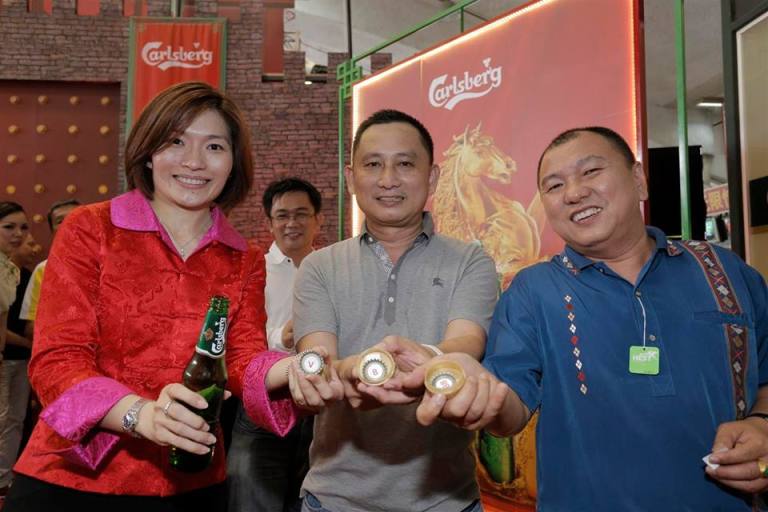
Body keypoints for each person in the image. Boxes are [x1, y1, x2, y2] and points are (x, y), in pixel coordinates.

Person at [3, 81, 339, 511]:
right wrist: (140, 415)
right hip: (75, 476)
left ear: (234, 163)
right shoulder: (92, 230)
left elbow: (240, 359)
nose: (195, 162)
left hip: (191, 479)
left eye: (215, 147)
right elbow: (57, 360)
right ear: (148, 152)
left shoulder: (243, 258)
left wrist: (294, 370)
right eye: (176, 142)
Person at [413, 126, 768, 511]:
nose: (574, 192)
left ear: (638, 179)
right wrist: (482, 398)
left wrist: (763, 423)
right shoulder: (533, 291)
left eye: (591, 172)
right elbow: (510, 406)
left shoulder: (724, 271)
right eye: (553, 185)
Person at [291, 109, 498, 512]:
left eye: (405, 164)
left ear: (432, 177)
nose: (388, 180)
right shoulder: (318, 266)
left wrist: (429, 361)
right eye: (373, 165)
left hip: (447, 500)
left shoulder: (470, 261)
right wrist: (349, 371)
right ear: (351, 179)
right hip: (334, 500)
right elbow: (318, 359)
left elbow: (467, 342)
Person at [228, 177, 323, 512]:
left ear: (318, 220)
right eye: (282, 215)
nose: (292, 223)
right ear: (268, 222)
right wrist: (278, 338)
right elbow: (233, 335)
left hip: (321, 403)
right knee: (252, 495)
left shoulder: (331, 268)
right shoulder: (252, 269)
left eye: (301, 214)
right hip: (263, 400)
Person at [19, 199, 81, 339]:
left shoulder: (108, 266)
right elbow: (30, 327)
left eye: (76, 216)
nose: (69, 222)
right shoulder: (43, 270)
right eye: (60, 220)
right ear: (52, 230)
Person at [0, 202, 26, 506]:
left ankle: (4, 481)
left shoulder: (10, 268)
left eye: (23, 227)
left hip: (7, 357)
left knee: (10, 420)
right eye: (9, 227)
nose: (18, 234)